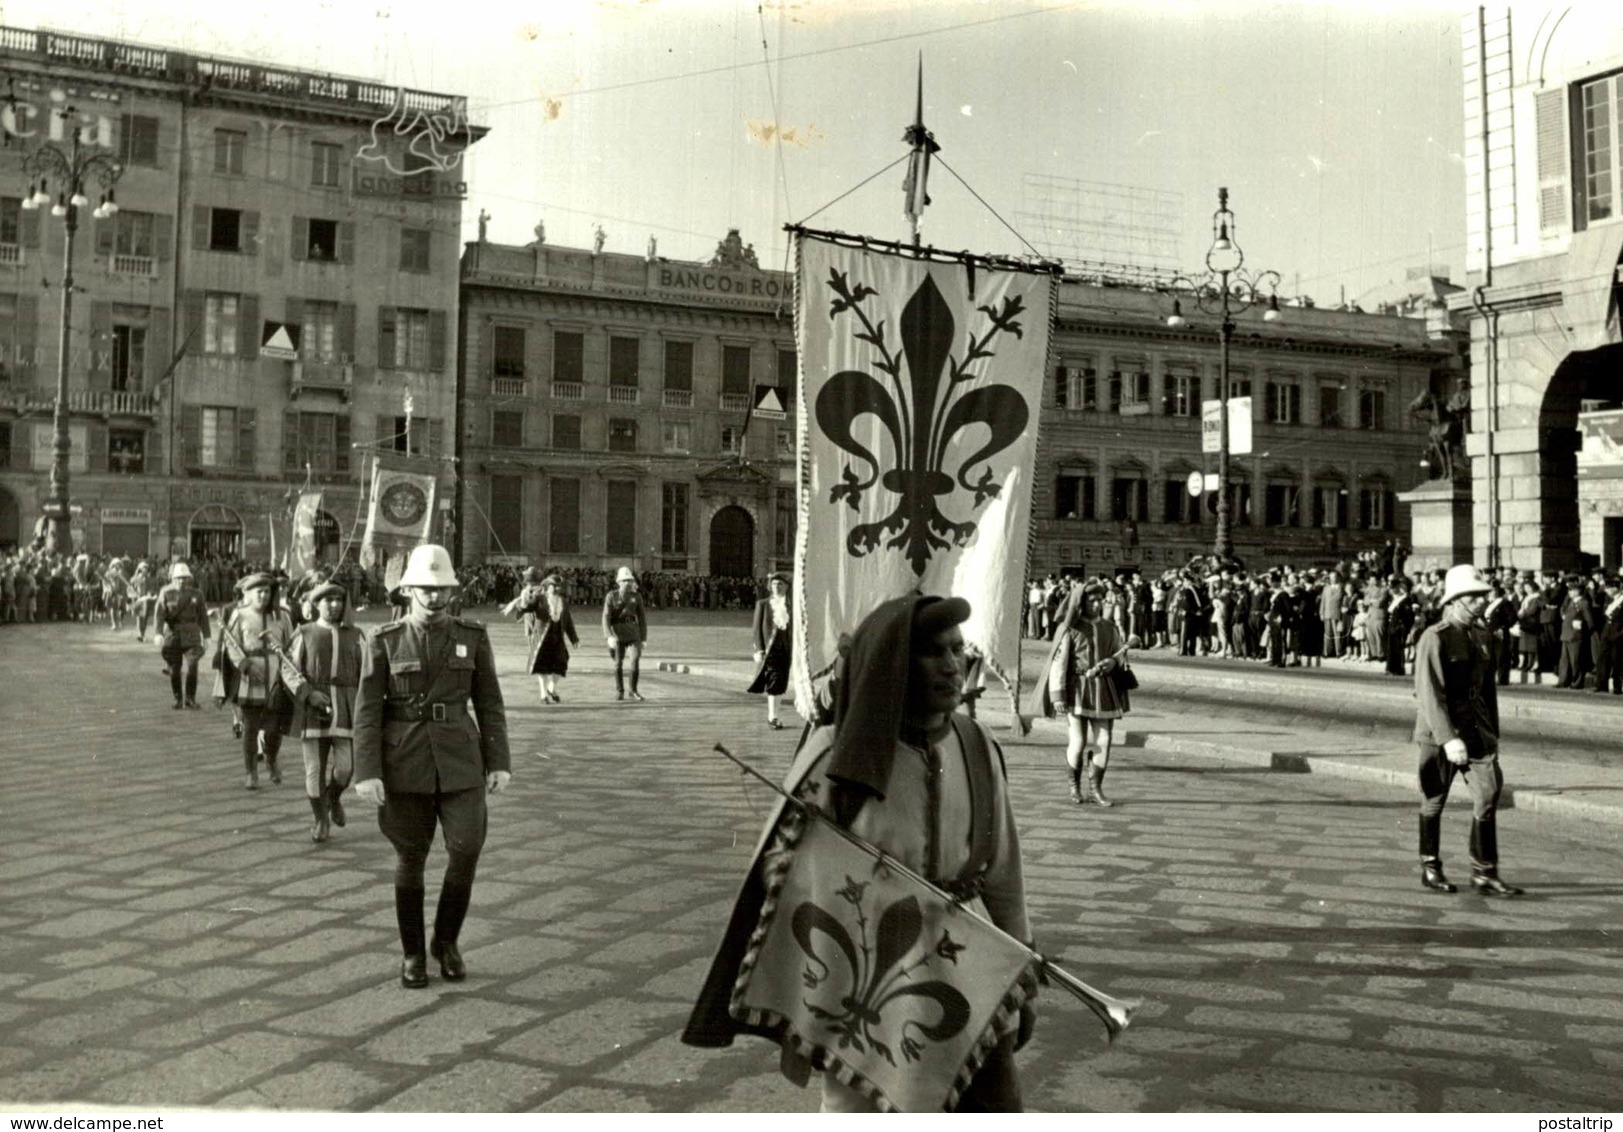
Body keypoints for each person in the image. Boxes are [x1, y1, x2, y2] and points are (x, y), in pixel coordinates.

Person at [682, 594, 1035, 1111]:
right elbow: (784, 875)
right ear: (893, 668)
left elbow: (1003, 871)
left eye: (959, 650)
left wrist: (1023, 974)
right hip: (869, 981)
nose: (953, 665)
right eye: (933, 653)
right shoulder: (834, 754)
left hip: (970, 970)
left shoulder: (977, 744)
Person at [352, 544, 511, 989]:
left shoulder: (473, 637)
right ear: (408, 590)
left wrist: (499, 762)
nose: (436, 597)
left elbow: (490, 704)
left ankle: (446, 941)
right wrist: (367, 771)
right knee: (411, 857)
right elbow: (367, 711)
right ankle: (412, 954)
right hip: (404, 762)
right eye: (426, 588)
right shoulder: (384, 641)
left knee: (466, 849)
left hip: (461, 762)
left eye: (442, 589)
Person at [1412, 564, 1524, 898]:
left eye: (1481, 596)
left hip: (1476, 729)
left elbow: (1487, 690)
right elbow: (1429, 692)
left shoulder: (1481, 634)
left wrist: (1492, 733)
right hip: (1440, 732)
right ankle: (1431, 867)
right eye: (1473, 596)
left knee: (1488, 793)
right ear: (1455, 600)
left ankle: (1484, 872)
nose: (1480, 601)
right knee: (1433, 799)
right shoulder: (1436, 637)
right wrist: (1448, 739)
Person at [1030, 583, 1129, 807]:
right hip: (1077, 689)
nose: (1096, 604)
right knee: (1079, 740)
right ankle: (1074, 787)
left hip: (1104, 688)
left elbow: (1119, 652)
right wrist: (1058, 696)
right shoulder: (1071, 628)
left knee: (1104, 738)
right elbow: (1059, 663)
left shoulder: (1109, 627)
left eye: (1099, 600)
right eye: (1091, 600)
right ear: (1081, 603)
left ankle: (1096, 788)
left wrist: (1113, 661)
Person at [282, 581, 364, 843]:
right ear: (316, 604)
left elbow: (367, 672)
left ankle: (334, 797)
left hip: (347, 707)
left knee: (345, 768)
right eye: (328, 600)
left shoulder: (356, 635)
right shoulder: (304, 633)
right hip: (313, 709)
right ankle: (320, 820)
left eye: (339, 599)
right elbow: (288, 670)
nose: (334, 604)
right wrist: (307, 692)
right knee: (314, 769)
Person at [220, 573, 295, 791]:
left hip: (276, 678)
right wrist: (245, 665)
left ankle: (271, 759)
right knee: (251, 728)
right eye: (258, 592)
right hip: (251, 678)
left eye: (267, 591)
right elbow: (231, 644)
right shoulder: (240, 615)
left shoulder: (282, 617)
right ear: (249, 594)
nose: (263, 596)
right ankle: (251, 772)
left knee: (275, 729)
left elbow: (291, 645)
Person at [507, 571, 579, 704]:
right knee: (542, 666)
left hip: (557, 637)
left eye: (558, 586)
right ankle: (543, 694)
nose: (557, 588)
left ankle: (552, 687)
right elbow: (527, 608)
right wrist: (524, 600)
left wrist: (574, 639)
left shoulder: (563, 601)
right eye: (554, 586)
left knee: (562, 662)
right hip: (542, 638)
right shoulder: (539, 598)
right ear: (547, 587)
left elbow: (568, 621)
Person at [155, 562, 211, 710]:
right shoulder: (166, 592)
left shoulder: (196, 594)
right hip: (173, 635)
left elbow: (203, 617)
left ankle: (190, 698)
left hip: (192, 635)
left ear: (189, 579)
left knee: (193, 666)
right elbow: (159, 614)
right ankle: (178, 698)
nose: (181, 581)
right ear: (173, 578)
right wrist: (158, 633)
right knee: (175, 669)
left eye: (184, 578)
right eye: (178, 578)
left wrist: (207, 636)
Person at [746, 572, 792, 729]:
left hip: (786, 649)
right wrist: (759, 649)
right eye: (774, 584)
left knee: (781, 682)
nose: (776, 587)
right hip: (769, 650)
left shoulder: (792, 606)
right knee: (774, 679)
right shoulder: (763, 604)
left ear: (786, 586)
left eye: (780, 584)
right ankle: (772, 717)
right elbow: (756, 629)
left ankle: (774, 714)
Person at [602, 565, 648, 701]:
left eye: (629, 580)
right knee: (618, 663)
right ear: (618, 582)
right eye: (624, 580)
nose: (628, 583)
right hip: (617, 634)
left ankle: (633, 690)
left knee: (635, 660)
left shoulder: (636, 597)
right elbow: (605, 617)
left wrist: (643, 638)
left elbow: (642, 618)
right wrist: (608, 636)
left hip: (633, 633)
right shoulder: (611, 596)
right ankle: (620, 690)